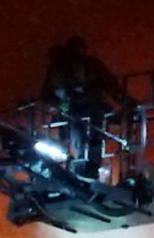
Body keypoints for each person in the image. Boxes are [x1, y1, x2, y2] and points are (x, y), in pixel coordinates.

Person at [41, 35, 130, 172]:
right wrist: (60, 103)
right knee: (80, 138)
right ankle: (82, 165)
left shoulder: (91, 65)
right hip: (76, 111)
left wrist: (122, 99)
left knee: (90, 137)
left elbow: (110, 83)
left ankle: (87, 165)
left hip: (88, 109)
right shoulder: (61, 69)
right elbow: (47, 93)